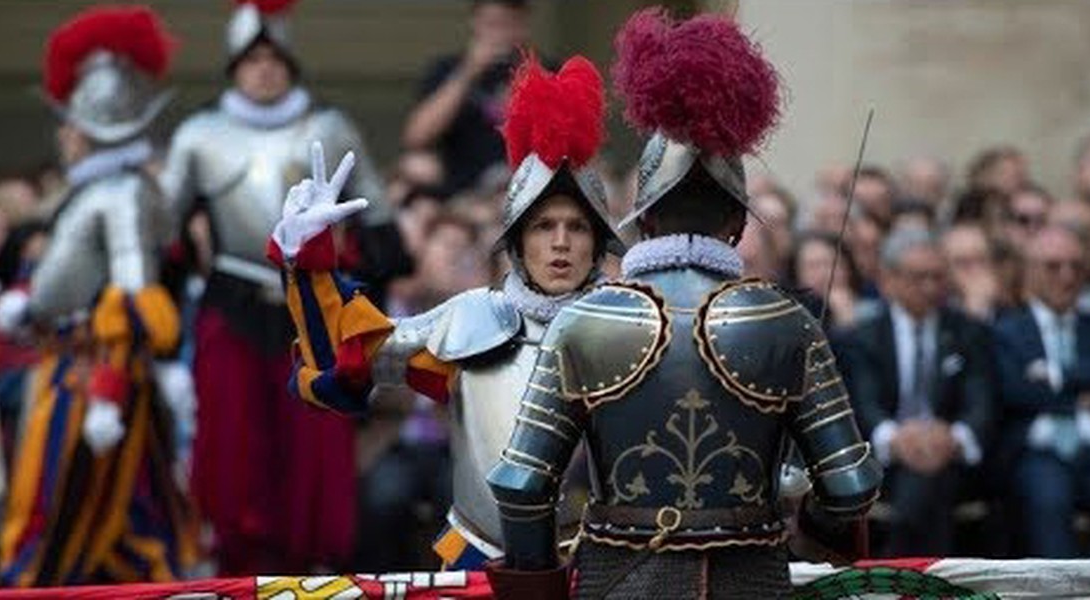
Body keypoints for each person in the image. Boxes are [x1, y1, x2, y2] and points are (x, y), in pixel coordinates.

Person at [484, 10, 881, 599]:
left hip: (621, 579)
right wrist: (815, 533)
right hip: (749, 581)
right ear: (738, 221)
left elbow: (523, 485)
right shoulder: (785, 322)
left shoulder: (585, 321)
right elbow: (850, 486)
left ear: (644, 218)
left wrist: (538, 591)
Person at [267, 54, 624, 569]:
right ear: (517, 242)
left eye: (578, 227)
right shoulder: (473, 320)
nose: (561, 242)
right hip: (480, 561)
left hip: (599, 564)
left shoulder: (631, 328)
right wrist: (310, 261)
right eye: (544, 227)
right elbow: (347, 362)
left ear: (598, 241)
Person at [160, 0, 401, 573]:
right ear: (234, 68)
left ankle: (315, 565)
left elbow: (380, 229)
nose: (264, 70)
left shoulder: (329, 128)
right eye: (252, 60)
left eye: (274, 59)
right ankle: (238, 566)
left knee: (315, 446)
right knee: (232, 447)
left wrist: (365, 312)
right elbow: (164, 238)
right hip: (233, 304)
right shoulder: (198, 136)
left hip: (313, 307)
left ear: (290, 65)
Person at [0, 6, 196, 585]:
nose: (62, 135)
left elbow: (133, 301)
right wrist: (30, 309)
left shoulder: (120, 195)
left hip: (91, 377)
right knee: (119, 512)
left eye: (70, 124)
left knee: (56, 510)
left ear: (92, 129)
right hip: (68, 361)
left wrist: (107, 392)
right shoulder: (94, 190)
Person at [841, 229, 995, 556]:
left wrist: (954, 436)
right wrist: (896, 438)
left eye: (937, 277)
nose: (930, 287)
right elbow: (864, 404)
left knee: (929, 478)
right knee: (923, 481)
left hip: (951, 457)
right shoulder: (865, 337)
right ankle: (928, 571)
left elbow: (980, 399)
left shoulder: (968, 332)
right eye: (918, 278)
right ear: (890, 280)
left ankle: (898, 565)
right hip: (885, 459)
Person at [994, 226, 1090, 557]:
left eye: (1076, 266)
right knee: (1049, 495)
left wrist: (1056, 376)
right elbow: (1014, 390)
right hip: (1037, 452)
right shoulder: (1006, 331)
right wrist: (1083, 394)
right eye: (1053, 266)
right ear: (1030, 271)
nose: (1067, 276)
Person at [402, 0, 532, 197]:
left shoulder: (544, 71)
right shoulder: (446, 69)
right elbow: (416, 137)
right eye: (492, 24)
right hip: (459, 189)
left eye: (508, 24)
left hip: (523, 185)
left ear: (523, 27)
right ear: (475, 22)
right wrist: (468, 72)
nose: (499, 35)